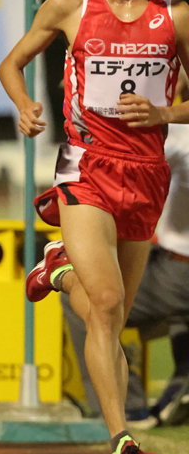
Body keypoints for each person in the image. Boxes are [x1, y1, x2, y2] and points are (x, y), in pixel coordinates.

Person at [0, 0, 189, 454]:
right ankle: (123, 439)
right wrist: (25, 105)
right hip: (86, 166)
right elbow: (11, 63)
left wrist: (163, 113)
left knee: (116, 313)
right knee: (105, 304)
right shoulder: (70, 5)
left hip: (148, 174)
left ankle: (57, 270)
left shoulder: (176, 15)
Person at [62, 70, 189, 427]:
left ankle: (128, 407)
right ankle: (183, 373)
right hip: (171, 270)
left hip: (177, 274)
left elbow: (122, 169)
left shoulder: (175, 136)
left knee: (100, 303)